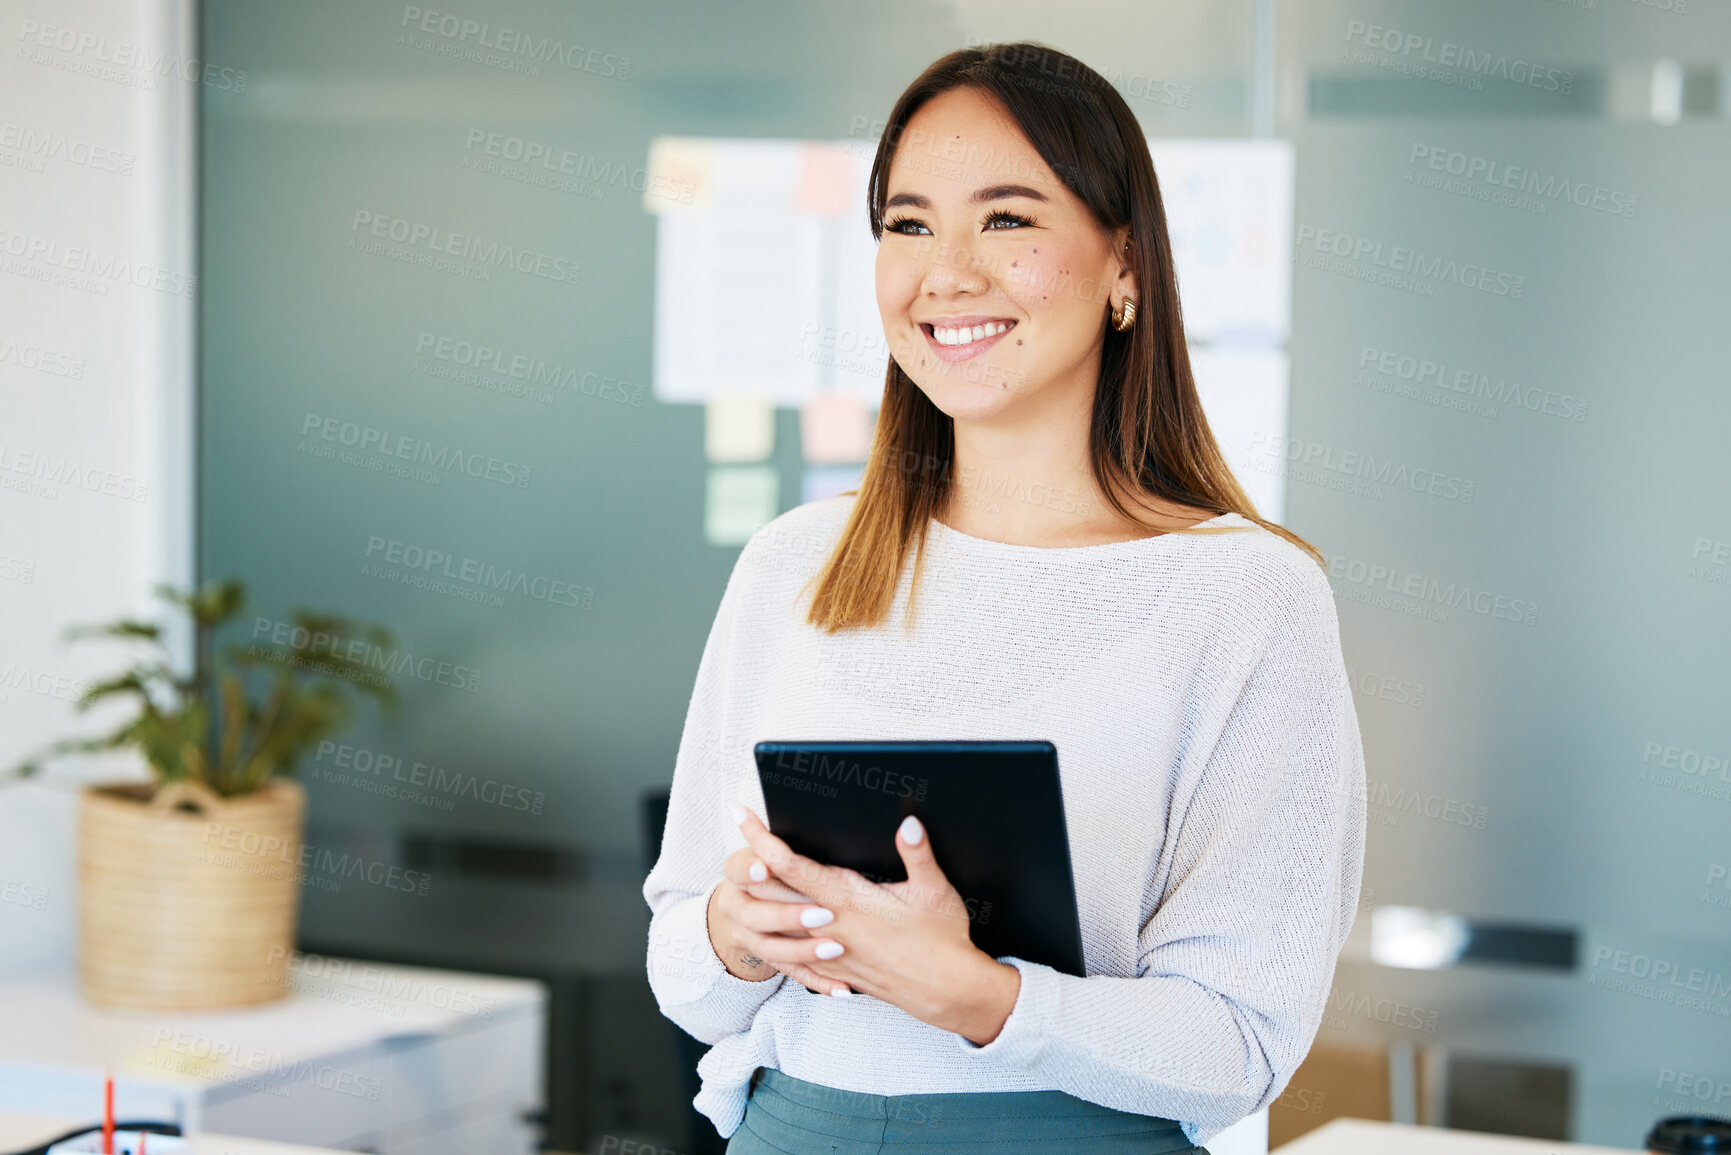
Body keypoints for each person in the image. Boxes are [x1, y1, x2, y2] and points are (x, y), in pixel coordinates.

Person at [643, 40, 1367, 1155]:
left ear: (1124, 265)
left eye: (1009, 219)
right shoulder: (795, 564)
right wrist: (738, 936)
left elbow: (1241, 1047)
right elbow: (682, 972)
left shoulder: (1247, 596)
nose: (947, 274)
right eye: (909, 223)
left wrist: (980, 996)